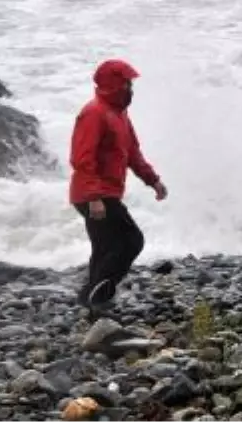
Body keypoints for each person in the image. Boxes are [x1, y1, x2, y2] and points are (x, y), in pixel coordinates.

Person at [69, 59, 168, 311]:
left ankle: (90, 299)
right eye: (127, 83)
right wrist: (94, 197)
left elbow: (132, 153)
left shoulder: (120, 114)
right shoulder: (94, 113)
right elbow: (82, 158)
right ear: (113, 85)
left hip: (104, 192)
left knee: (105, 246)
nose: (130, 88)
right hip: (94, 194)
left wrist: (153, 180)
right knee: (130, 241)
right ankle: (100, 295)